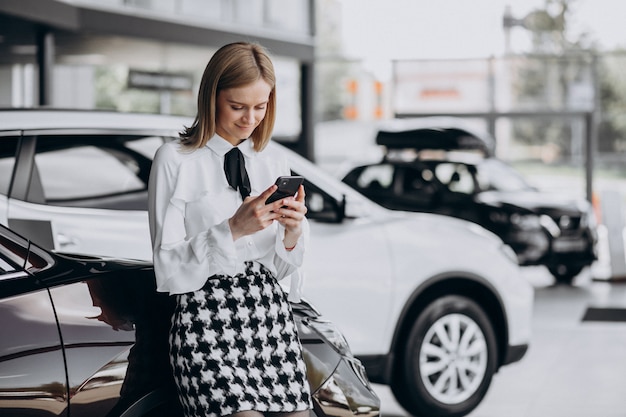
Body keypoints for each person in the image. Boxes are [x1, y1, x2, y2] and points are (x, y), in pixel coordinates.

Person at [148, 42, 311, 417]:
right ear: (211, 97)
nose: (249, 118)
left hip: (269, 314)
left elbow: (282, 270)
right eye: (237, 106)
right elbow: (167, 268)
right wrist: (232, 229)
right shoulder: (174, 160)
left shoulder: (274, 159)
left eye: (261, 106)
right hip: (205, 316)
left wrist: (292, 233)